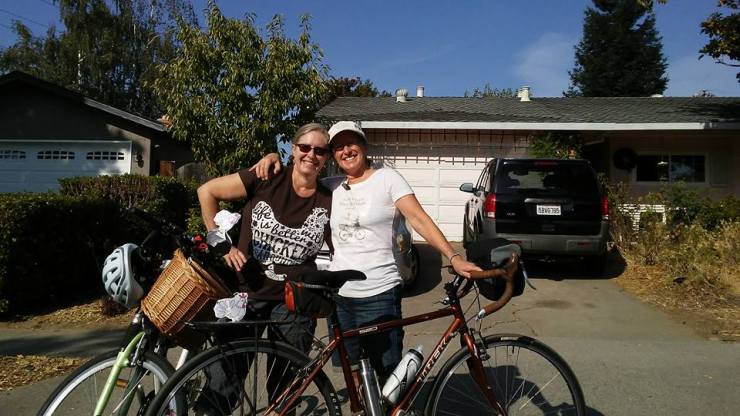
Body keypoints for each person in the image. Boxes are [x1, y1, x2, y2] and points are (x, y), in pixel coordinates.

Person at [251, 120, 480, 381]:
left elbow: (418, 218)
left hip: (379, 292)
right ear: (332, 155)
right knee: (356, 374)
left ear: (364, 146)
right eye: (338, 146)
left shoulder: (388, 178)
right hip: (340, 295)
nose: (346, 150)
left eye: (352, 143)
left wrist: (454, 256)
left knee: (386, 373)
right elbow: (298, 179)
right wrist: (273, 158)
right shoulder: (331, 186)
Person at [196, 122, 333, 411]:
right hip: (245, 295)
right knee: (222, 381)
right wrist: (220, 243)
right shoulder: (267, 177)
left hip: (295, 302)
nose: (311, 155)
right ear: (293, 149)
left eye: (320, 150)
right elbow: (207, 191)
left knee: (285, 391)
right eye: (305, 147)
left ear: (326, 157)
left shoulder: (330, 198)